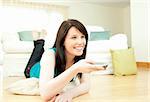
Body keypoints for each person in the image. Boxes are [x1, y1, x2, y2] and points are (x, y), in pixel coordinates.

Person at [24, 19, 105, 102]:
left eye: (82, 37)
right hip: (32, 69)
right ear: (63, 40)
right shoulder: (50, 54)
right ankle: (40, 40)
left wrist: (69, 93)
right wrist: (76, 68)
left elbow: (86, 85)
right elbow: (45, 94)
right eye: (74, 37)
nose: (80, 42)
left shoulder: (81, 54)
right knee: (38, 50)